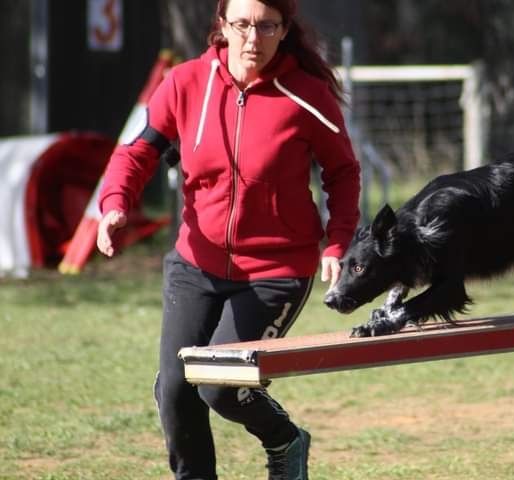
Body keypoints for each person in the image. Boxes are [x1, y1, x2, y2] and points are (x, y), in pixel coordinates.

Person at [96, 0, 361, 478]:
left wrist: (338, 242)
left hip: (275, 271)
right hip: (195, 263)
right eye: (241, 24)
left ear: (284, 29)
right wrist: (115, 203)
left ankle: (285, 440)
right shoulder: (184, 84)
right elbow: (138, 153)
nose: (252, 39)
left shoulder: (307, 95)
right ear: (222, 25)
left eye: (266, 26)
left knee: (219, 385)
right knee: (175, 390)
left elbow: (342, 173)